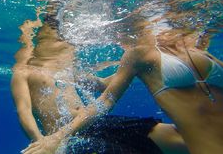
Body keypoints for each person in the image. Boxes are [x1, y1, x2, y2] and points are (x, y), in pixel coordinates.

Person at [22, 26, 223, 154]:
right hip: (203, 145)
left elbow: (104, 83)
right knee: (97, 133)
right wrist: (55, 139)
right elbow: (105, 100)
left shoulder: (193, 42)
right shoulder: (139, 54)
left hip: (184, 138)